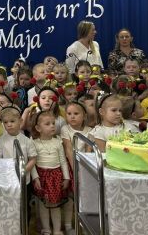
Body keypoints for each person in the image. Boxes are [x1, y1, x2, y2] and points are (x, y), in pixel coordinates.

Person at [31, 110, 70, 235]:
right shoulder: (34, 143)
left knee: (55, 205)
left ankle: (57, 230)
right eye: (47, 124)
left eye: (53, 123)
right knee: (43, 205)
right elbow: (32, 163)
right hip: (42, 177)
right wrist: (35, 178)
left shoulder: (58, 141)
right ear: (38, 128)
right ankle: (46, 228)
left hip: (56, 177)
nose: (52, 126)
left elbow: (63, 161)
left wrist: (66, 178)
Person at [60, 101, 91, 235]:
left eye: (76, 113)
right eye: (69, 114)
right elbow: (68, 150)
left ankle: (84, 224)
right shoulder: (65, 129)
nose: (72, 116)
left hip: (84, 166)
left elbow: (88, 151)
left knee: (84, 198)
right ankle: (68, 225)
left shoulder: (89, 130)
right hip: (70, 165)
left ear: (84, 116)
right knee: (70, 198)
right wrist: (75, 170)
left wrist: (84, 170)